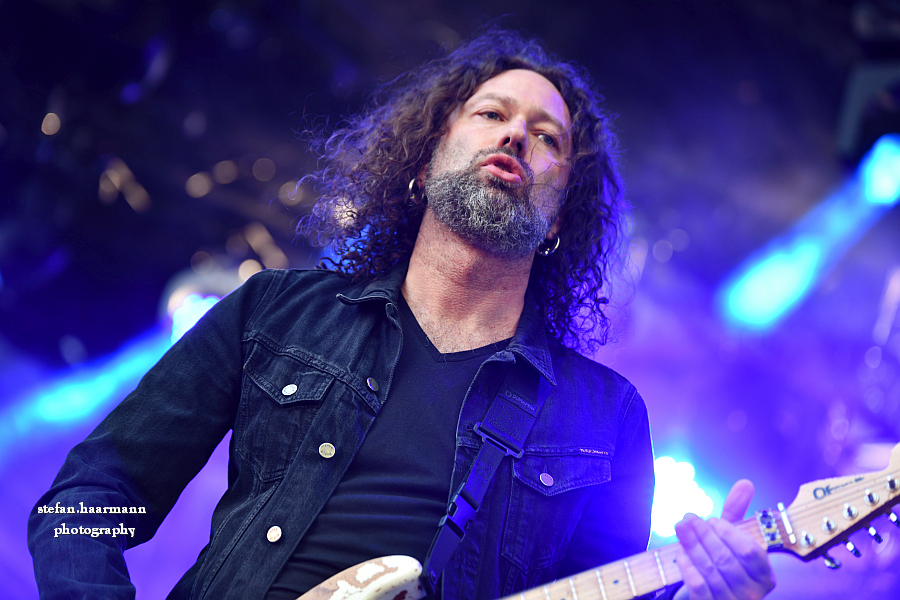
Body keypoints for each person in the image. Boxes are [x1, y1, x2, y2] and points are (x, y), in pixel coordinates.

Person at [28, 29, 775, 600]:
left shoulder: (605, 416)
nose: (515, 135)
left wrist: (709, 590)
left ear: (558, 220)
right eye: (491, 113)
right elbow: (88, 501)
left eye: (549, 138)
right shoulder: (275, 311)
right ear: (424, 163)